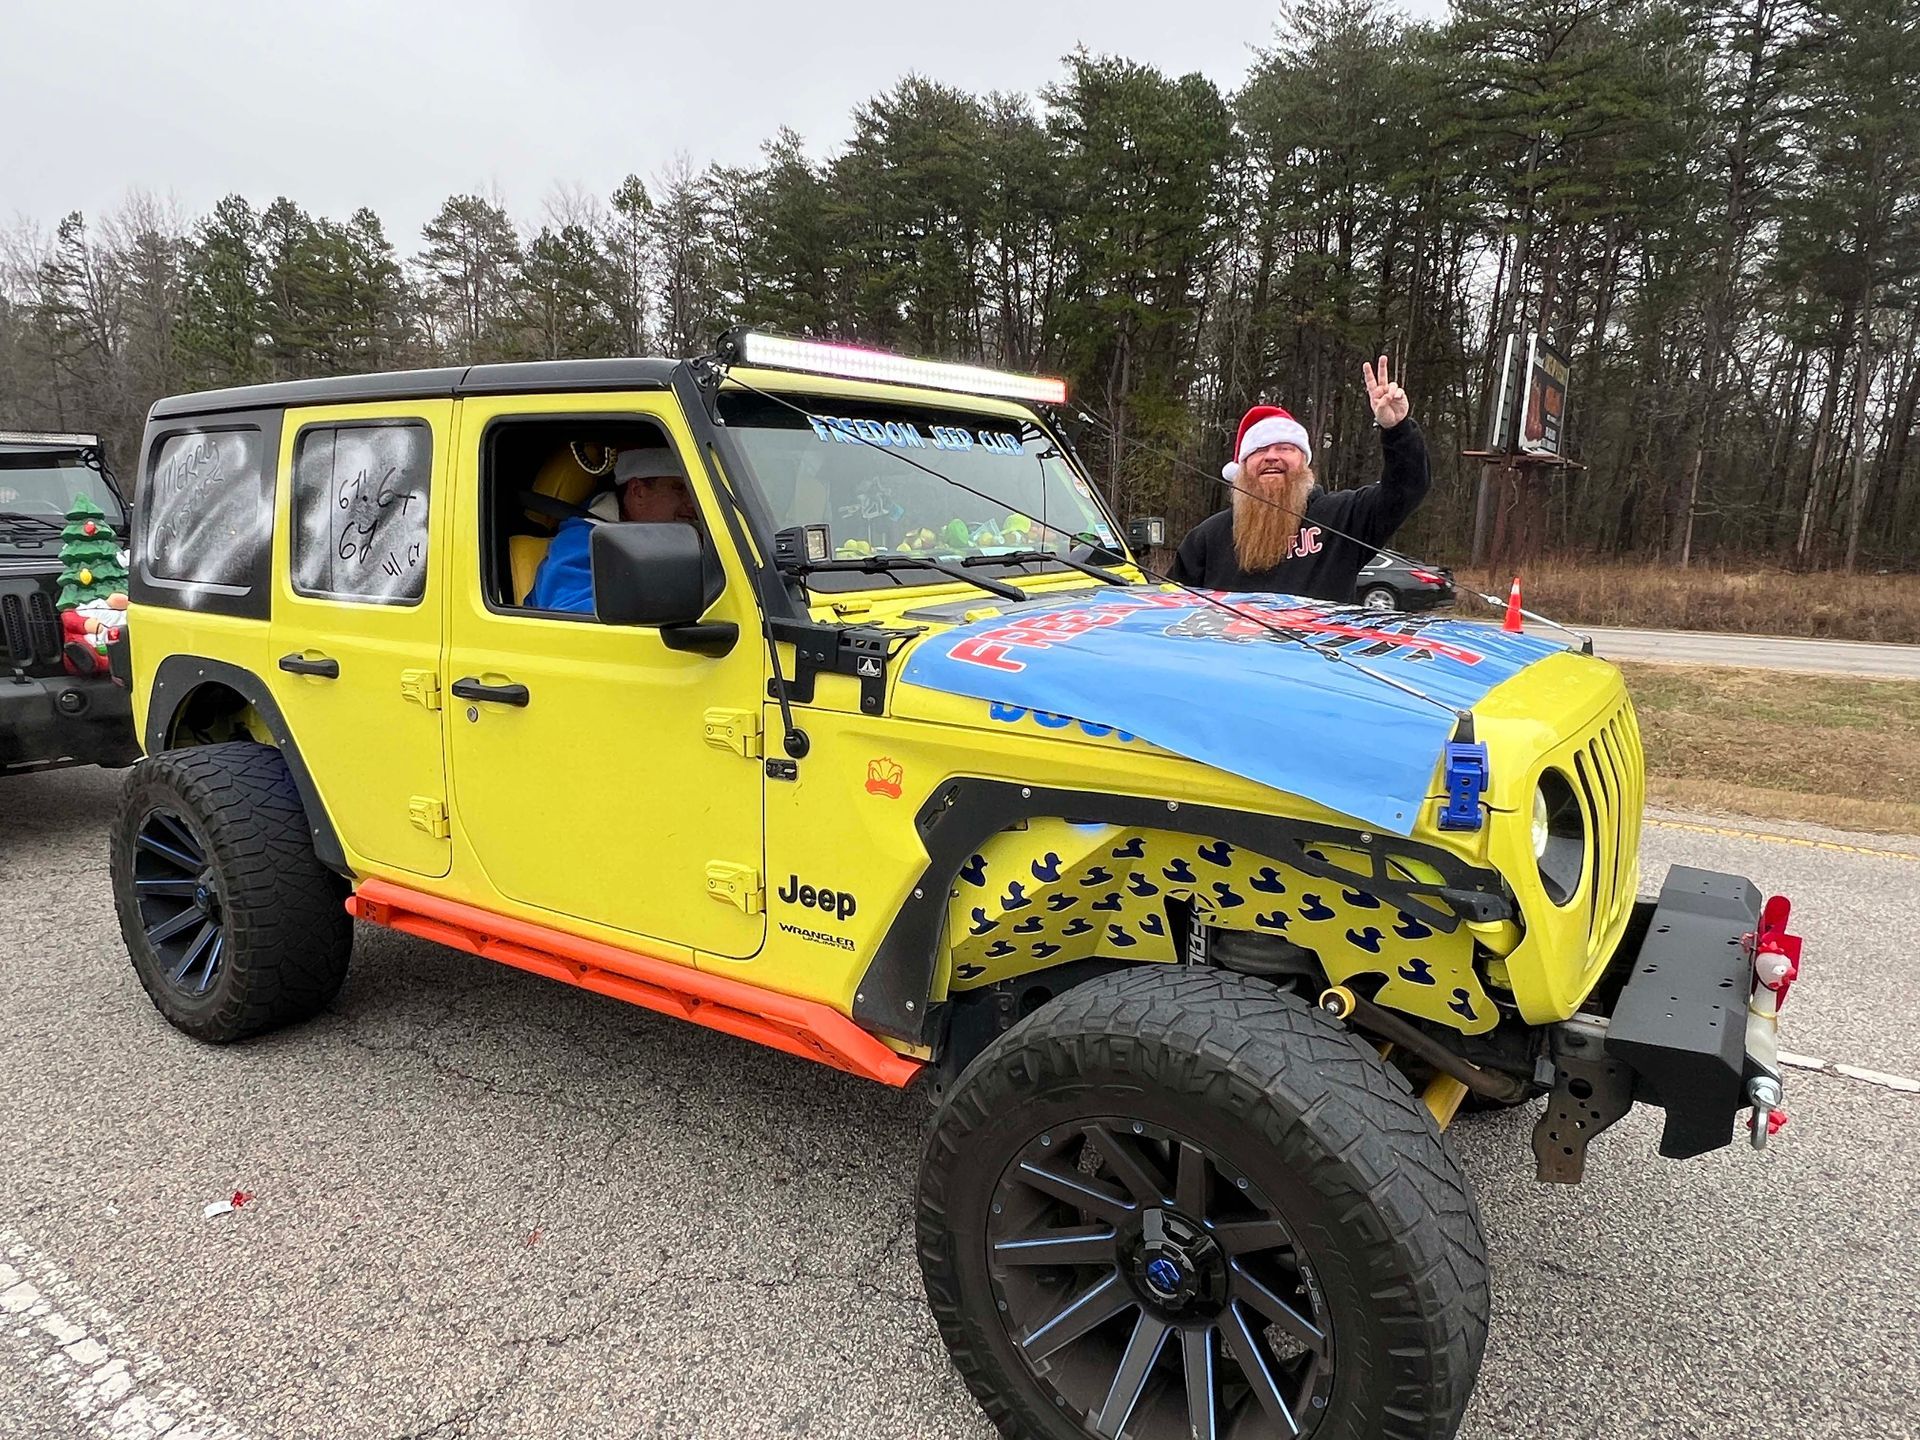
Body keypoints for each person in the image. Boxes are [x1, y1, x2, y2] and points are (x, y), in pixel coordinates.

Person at [1170, 356, 1429, 603]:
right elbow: (1170, 605)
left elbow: (1406, 488)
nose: (1271, 456)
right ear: (1243, 467)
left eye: (1285, 448)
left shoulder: (1343, 517)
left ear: (1303, 461)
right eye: (1259, 450)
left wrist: (1397, 430)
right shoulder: (1207, 538)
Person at [525, 445, 698, 614]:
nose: (692, 504)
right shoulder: (581, 541)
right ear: (638, 492)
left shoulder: (688, 536)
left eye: (695, 492)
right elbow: (573, 614)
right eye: (679, 489)